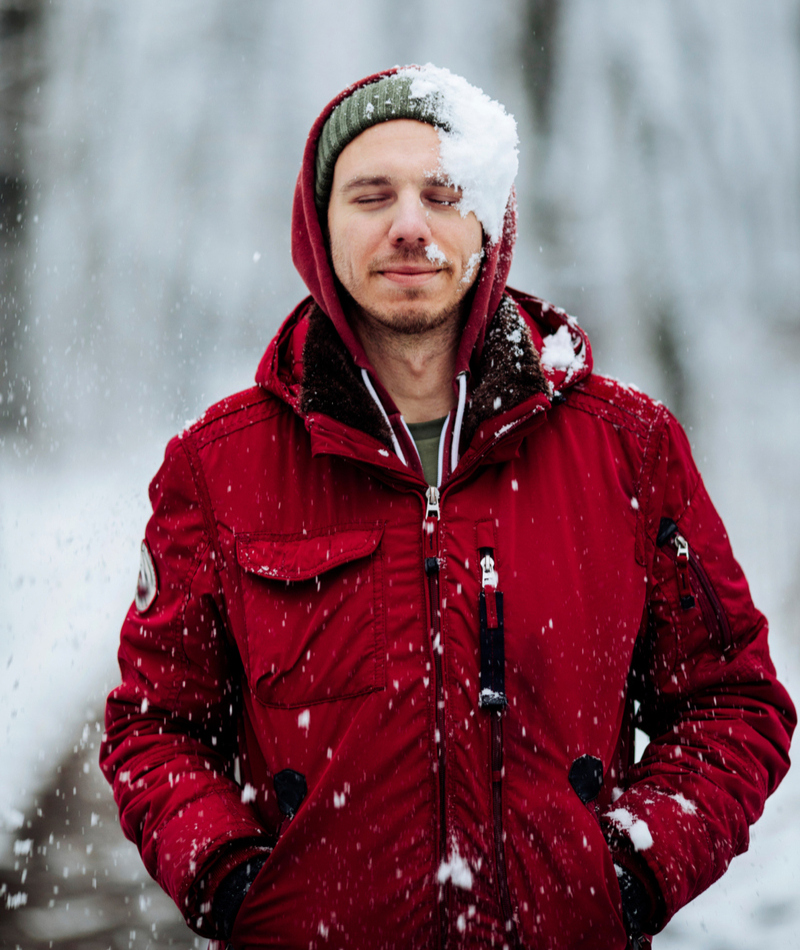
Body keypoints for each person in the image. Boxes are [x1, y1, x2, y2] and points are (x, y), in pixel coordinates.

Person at [100, 65, 795, 950]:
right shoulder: (219, 467)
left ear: (487, 219)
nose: (408, 225)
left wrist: (625, 876)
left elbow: (733, 702)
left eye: (442, 191)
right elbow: (154, 727)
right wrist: (238, 891)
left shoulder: (628, 447)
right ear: (319, 228)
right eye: (371, 194)